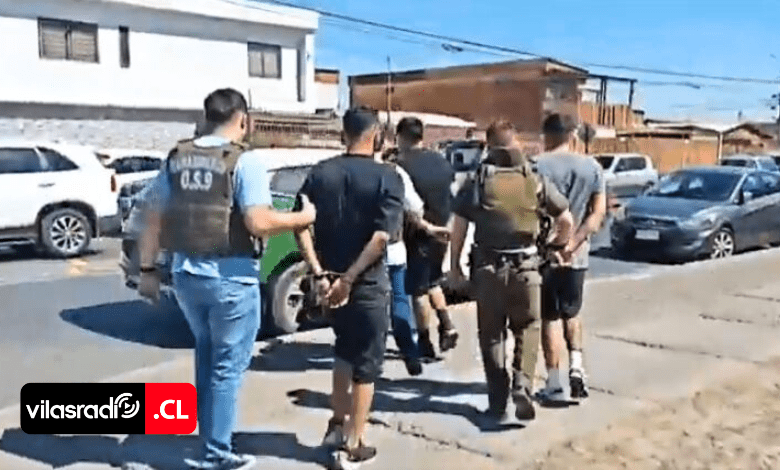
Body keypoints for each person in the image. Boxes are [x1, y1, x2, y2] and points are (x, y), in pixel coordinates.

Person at [137, 88, 316, 470]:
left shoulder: (177, 157)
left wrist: (148, 270)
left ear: (207, 117)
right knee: (227, 368)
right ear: (243, 120)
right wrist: (303, 218)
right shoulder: (244, 161)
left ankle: (209, 438)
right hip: (231, 279)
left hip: (186, 276)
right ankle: (216, 453)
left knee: (207, 357)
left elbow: (151, 214)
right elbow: (259, 221)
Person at [294, 107, 404, 469]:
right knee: (367, 365)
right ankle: (353, 445)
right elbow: (381, 237)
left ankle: (337, 426)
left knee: (343, 352)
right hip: (366, 283)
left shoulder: (320, 173)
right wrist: (350, 278)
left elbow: (300, 224)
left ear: (344, 134)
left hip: (330, 282)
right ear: (377, 136)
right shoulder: (388, 177)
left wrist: (320, 273)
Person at [449, 121, 574, 423]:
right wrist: (554, 246)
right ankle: (523, 385)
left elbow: (459, 228)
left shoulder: (477, 180)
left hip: (488, 268)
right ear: (515, 142)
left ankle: (497, 403)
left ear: (488, 145)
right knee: (528, 327)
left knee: (492, 336)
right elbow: (566, 220)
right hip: (527, 267)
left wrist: (454, 268)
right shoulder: (534, 177)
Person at [534, 113, 607, 403]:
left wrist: (556, 245)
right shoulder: (593, 167)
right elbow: (597, 215)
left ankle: (554, 382)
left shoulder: (535, 166)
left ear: (546, 135)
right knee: (572, 313)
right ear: (572, 135)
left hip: (544, 255)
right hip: (577, 256)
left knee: (549, 318)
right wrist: (573, 243)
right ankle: (577, 367)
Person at [381, 150, 450, 377]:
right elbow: (414, 208)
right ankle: (411, 351)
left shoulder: (347, 172)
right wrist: (430, 228)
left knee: (367, 301)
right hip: (393, 247)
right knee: (402, 299)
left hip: (359, 251)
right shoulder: (396, 173)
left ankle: (366, 351)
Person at [394, 117, 459, 359]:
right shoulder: (442, 162)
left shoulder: (400, 165)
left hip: (417, 233)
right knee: (433, 281)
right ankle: (447, 324)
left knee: (418, 290)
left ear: (400, 137)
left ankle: (424, 343)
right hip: (442, 230)